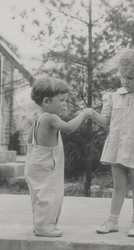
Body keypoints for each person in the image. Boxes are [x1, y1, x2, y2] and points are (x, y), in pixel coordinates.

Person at [88, 48, 134, 237]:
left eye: (130, 78)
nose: (125, 81)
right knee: (119, 185)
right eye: (123, 77)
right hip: (117, 146)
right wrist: (92, 114)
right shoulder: (113, 97)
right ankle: (113, 221)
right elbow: (106, 121)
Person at [25, 76, 92, 237]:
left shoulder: (39, 118)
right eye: (62, 100)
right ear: (47, 101)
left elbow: (29, 140)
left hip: (35, 162)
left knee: (40, 195)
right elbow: (68, 128)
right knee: (51, 195)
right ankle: (45, 227)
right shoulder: (50, 117)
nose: (65, 104)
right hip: (48, 164)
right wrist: (83, 115)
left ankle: (40, 224)